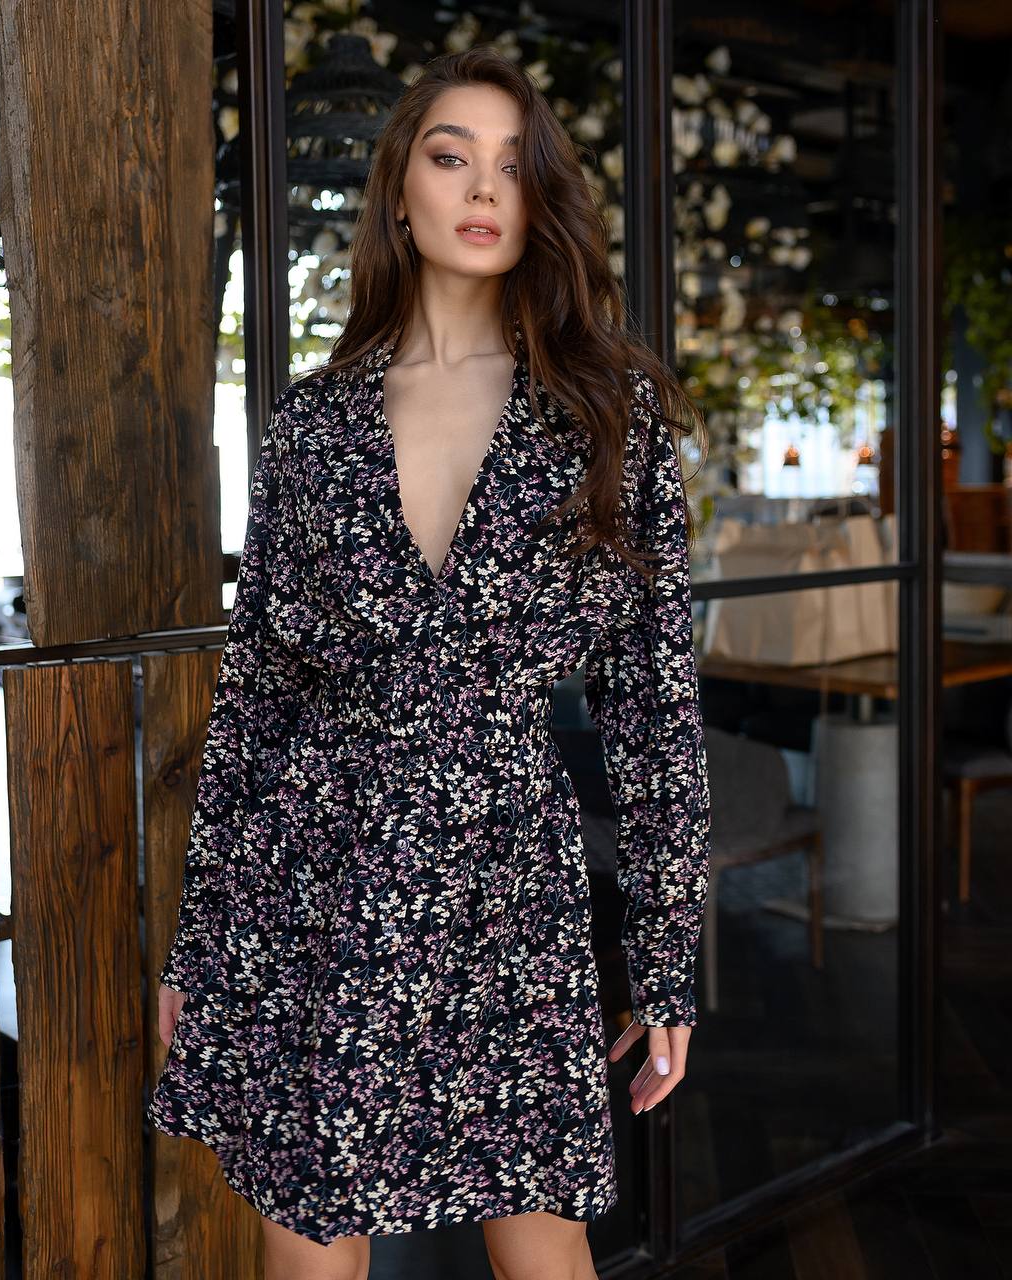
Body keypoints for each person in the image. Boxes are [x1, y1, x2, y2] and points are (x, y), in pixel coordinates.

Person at [148, 44, 711, 1280]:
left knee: (544, 1244)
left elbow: (655, 709)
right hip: (321, 873)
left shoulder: (605, 412)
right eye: (450, 155)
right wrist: (200, 952)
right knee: (307, 1236)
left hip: (508, 878)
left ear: (540, 196)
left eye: (513, 164)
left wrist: (666, 958)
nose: (482, 186)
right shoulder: (313, 423)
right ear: (400, 190)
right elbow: (257, 704)